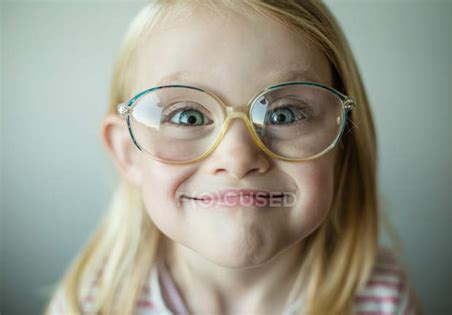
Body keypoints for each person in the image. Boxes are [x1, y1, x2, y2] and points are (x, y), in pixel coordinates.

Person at [44, 0, 423, 314]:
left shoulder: (381, 299)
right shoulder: (92, 303)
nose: (239, 157)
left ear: (342, 139)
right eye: (187, 116)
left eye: (284, 114)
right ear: (128, 154)